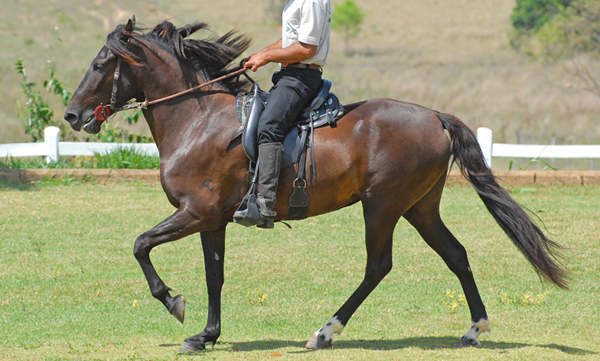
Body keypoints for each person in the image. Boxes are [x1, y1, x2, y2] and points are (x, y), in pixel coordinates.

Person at [234, 0, 332, 228]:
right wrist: (259, 54)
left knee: (269, 127)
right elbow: (289, 41)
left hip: (301, 77)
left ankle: (265, 204)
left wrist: (267, 58)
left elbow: (307, 48)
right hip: (289, 75)